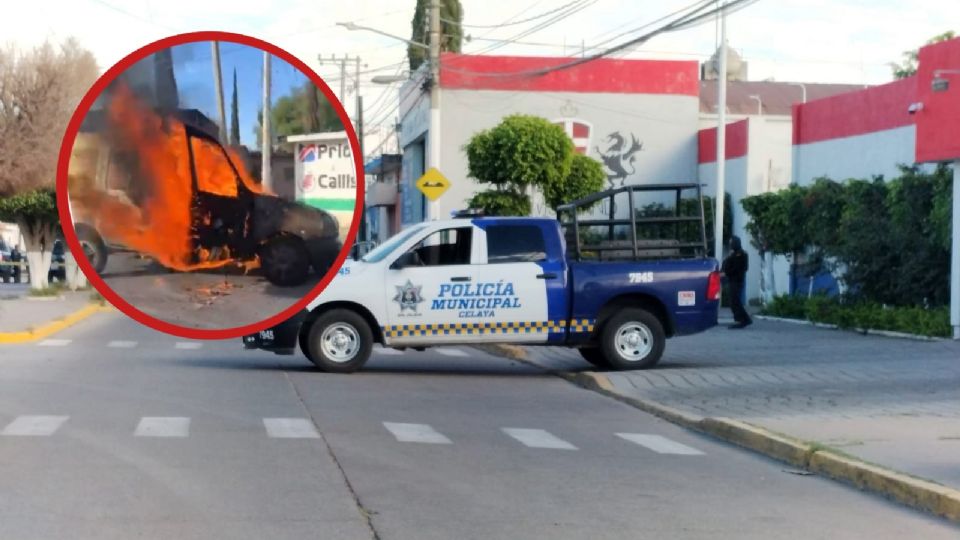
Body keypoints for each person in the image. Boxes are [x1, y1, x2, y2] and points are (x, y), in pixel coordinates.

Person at [721, 235, 752, 329]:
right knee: (733, 301)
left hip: (736, 280)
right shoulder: (733, 254)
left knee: (735, 301)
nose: (730, 245)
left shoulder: (741, 254)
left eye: (732, 243)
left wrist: (727, 272)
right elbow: (725, 265)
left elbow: (740, 268)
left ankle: (743, 319)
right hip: (732, 280)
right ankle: (742, 319)